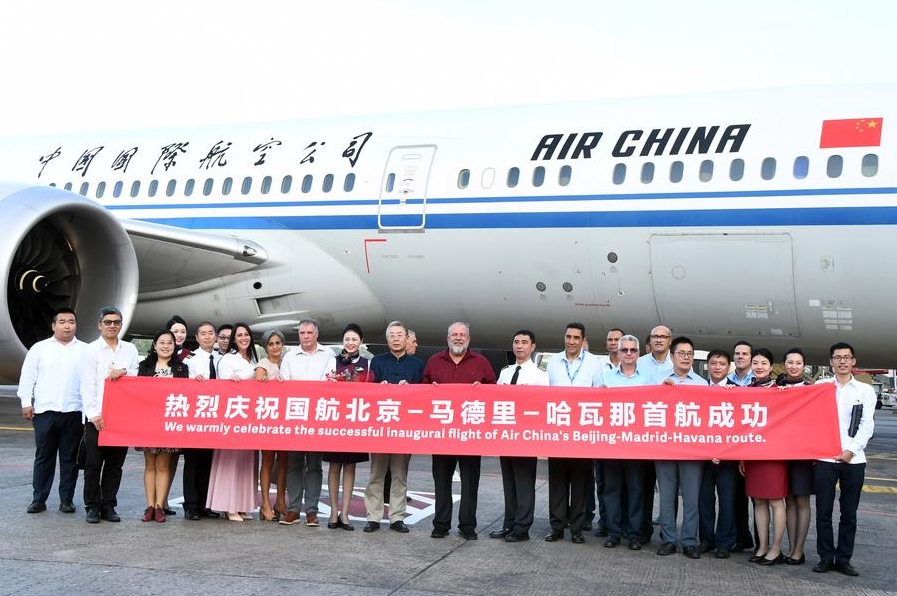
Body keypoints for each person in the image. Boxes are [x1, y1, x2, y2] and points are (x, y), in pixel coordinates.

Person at [423, 321, 496, 540]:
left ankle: (467, 525)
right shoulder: (434, 362)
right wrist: (429, 390)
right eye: (454, 334)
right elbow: (420, 392)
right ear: (448, 339)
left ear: (468, 339)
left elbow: (495, 393)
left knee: (470, 482)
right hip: (442, 435)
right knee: (441, 482)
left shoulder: (481, 363)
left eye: (462, 335)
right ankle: (441, 524)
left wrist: (482, 391)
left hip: (470, 436)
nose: (458, 338)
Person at [812, 342, 876, 577]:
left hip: (854, 459)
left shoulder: (865, 391)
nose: (842, 361)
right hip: (825, 459)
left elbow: (867, 425)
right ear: (830, 362)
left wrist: (851, 450)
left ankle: (844, 559)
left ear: (853, 361)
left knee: (849, 514)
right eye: (837, 358)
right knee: (823, 512)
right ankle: (825, 557)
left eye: (846, 357)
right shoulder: (820, 386)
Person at [18, 308, 87, 515]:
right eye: (63, 321)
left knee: (69, 459)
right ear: (53, 325)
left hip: (74, 411)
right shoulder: (39, 349)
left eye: (71, 321)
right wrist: (25, 402)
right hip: (45, 412)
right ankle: (39, 499)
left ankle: (66, 499)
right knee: (44, 457)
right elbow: (27, 376)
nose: (67, 326)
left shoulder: (85, 350)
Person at [364, 321, 424, 534]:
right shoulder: (377, 362)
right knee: (376, 474)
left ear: (407, 338)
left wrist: (411, 389)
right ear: (387, 339)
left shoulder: (417, 365)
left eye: (400, 335)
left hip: (404, 429)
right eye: (392, 335)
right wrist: (378, 389)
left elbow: (424, 396)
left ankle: (397, 517)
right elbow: (366, 392)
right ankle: (373, 516)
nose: (396, 338)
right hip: (380, 428)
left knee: (400, 474)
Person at [544, 322, 603, 544]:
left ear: (583, 340)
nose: (571, 341)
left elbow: (599, 395)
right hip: (558, 432)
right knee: (557, 482)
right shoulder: (554, 362)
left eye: (576, 338)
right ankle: (557, 527)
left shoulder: (593, 363)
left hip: (582, 433)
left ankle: (577, 528)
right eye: (568, 337)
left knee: (580, 484)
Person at [81, 306, 139, 524]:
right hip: (97, 417)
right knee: (93, 464)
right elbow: (87, 384)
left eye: (116, 322)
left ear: (121, 325)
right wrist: (93, 414)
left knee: (115, 465)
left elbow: (134, 378)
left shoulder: (130, 350)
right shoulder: (91, 350)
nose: (112, 325)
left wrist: (123, 371)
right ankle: (92, 506)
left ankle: (108, 505)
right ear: (100, 325)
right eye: (108, 322)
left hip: (120, 417)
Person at [490, 330, 548, 543]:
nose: (519, 346)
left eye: (524, 342)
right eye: (516, 342)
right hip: (506, 436)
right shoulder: (506, 372)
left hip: (526, 437)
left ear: (533, 347)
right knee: (509, 483)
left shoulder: (540, 375)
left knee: (524, 484)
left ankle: (522, 527)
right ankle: (509, 523)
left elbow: (542, 407)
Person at [653, 336, 708, 559]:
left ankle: (689, 541)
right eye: (681, 353)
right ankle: (668, 539)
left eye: (689, 354)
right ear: (672, 356)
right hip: (665, 447)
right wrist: (662, 391)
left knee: (691, 497)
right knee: (666, 497)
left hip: (692, 449)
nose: (686, 358)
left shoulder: (702, 384)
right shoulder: (658, 379)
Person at [278, 318, 336, 527]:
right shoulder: (290, 356)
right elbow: (284, 384)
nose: (305, 337)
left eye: (309, 333)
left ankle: (311, 511)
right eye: (302, 333)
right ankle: (293, 509)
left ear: (316, 334)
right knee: (294, 465)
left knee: (314, 465)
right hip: (296, 416)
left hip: (318, 417)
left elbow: (331, 382)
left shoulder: (329, 355)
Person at [600, 334, 650, 551]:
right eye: (625, 350)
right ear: (617, 353)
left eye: (633, 350)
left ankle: (635, 534)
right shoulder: (606, 379)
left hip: (637, 445)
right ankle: (613, 532)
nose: (629, 353)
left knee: (636, 490)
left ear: (639, 353)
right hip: (611, 444)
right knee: (611, 490)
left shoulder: (648, 379)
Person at [739, 347, 789, 565]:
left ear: (771, 367)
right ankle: (762, 546)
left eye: (764, 364)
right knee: (758, 501)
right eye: (756, 363)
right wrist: (741, 456)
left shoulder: (780, 391)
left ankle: (776, 548)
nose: (759, 367)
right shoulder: (746, 390)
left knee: (776, 502)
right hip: (752, 454)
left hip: (774, 455)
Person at [206, 322, 258, 522]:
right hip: (233, 417)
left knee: (246, 463)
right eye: (239, 335)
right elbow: (223, 386)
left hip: (250, 418)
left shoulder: (253, 359)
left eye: (246, 335)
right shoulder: (228, 359)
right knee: (231, 462)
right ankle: (229, 506)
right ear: (234, 339)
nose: (243, 338)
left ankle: (242, 505)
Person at [136, 330, 188, 523]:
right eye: (162, 342)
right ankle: (149, 505)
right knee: (150, 464)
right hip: (148, 421)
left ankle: (160, 506)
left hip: (170, 423)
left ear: (175, 346)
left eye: (170, 343)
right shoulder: (144, 366)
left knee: (164, 464)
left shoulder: (182, 369)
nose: (166, 346)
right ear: (155, 345)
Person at [323, 324, 372, 531]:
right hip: (336, 421)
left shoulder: (368, 364)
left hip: (355, 421)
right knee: (334, 467)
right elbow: (323, 388)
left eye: (354, 339)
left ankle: (345, 512)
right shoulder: (332, 362)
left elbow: (372, 391)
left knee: (351, 467)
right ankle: (333, 511)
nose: (350, 343)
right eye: (347, 339)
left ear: (360, 341)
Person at [698, 349, 739, 558]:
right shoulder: (697, 389)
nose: (717, 367)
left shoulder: (738, 391)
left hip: (727, 459)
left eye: (722, 364)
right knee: (704, 500)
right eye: (713, 363)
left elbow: (742, 428)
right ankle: (706, 539)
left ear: (729, 367)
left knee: (727, 501)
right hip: (703, 458)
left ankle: (724, 542)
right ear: (708, 365)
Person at [776, 347, 813, 565]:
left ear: (804, 366)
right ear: (784, 364)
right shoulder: (776, 388)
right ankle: (790, 548)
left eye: (798, 363)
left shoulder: (811, 390)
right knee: (788, 500)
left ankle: (799, 549)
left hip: (802, 453)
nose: (793, 366)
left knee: (802, 500)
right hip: (781, 452)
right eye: (790, 362)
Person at [637, 325, 673, 544]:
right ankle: (642, 531)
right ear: (650, 341)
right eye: (655, 336)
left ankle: (669, 534)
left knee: (669, 490)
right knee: (643, 486)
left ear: (670, 340)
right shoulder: (638, 363)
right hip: (642, 436)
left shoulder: (676, 364)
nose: (659, 340)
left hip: (669, 438)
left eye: (663, 336)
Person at [183, 321, 221, 520]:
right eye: (203, 334)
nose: (207, 337)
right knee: (192, 462)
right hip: (195, 418)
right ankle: (190, 505)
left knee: (208, 462)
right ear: (196, 338)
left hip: (214, 419)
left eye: (210, 333)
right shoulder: (190, 359)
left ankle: (205, 504)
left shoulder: (221, 359)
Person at [589, 327, 624, 536]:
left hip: (625, 434)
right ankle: (605, 522)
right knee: (602, 483)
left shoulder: (634, 367)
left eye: (617, 340)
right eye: (610, 340)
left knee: (625, 485)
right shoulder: (598, 366)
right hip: (602, 433)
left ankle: (622, 523)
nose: (613, 343)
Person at [255, 329, 289, 522]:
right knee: (268, 459)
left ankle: (280, 501)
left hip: (286, 419)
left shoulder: (288, 363)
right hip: (268, 418)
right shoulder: (262, 365)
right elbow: (259, 389)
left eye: (278, 343)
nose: (275, 347)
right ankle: (266, 503)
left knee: (284, 460)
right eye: (271, 344)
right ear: (266, 347)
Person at [728, 340, 756, 553]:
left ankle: (761, 541)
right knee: (736, 498)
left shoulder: (761, 381)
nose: (740, 357)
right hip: (733, 448)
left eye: (744, 354)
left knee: (759, 500)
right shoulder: (727, 382)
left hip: (756, 447)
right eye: (737, 353)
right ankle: (742, 536)